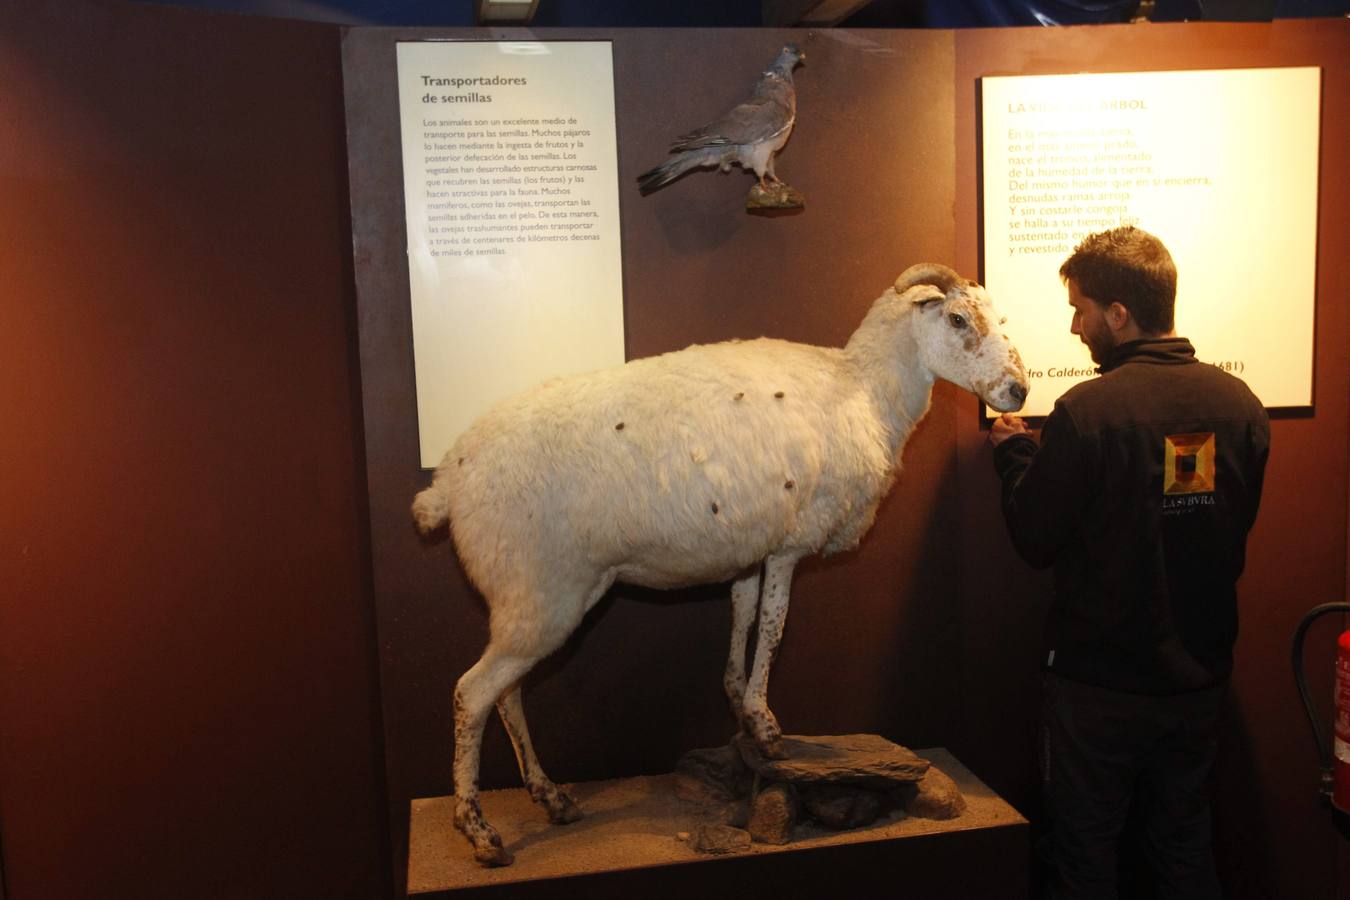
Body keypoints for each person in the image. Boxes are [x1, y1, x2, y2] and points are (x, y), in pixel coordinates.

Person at [988, 226, 1269, 899]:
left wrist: (1013, 453)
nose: (1075, 324)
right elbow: (1233, 528)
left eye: (1081, 308)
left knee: (1084, 856)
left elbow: (1035, 537)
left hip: (1099, 688)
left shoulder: (1088, 414)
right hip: (1199, 682)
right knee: (1183, 848)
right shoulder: (1243, 408)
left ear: (1119, 314)